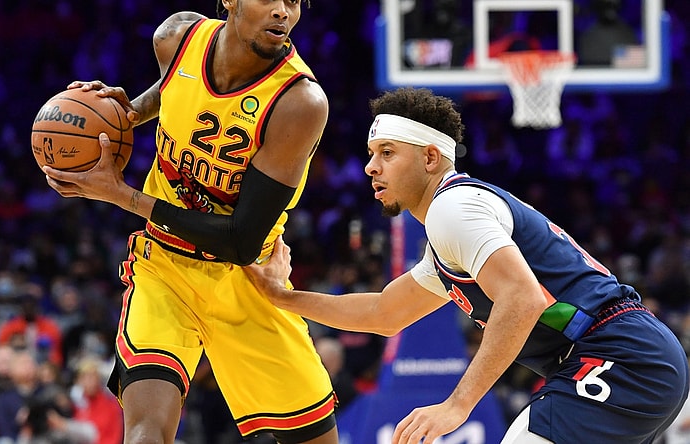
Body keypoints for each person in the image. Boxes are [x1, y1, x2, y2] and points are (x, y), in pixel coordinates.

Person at [243, 87, 690, 444]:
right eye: (371, 153)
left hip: (621, 357)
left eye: (387, 153)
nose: (369, 167)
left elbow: (523, 297)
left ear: (430, 158)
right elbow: (383, 314)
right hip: (626, 360)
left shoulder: (453, 209)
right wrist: (281, 295)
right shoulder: (451, 235)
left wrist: (457, 405)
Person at [41, 1, 339, 443]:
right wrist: (122, 115)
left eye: (293, 1)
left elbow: (239, 240)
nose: (281, 12)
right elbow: (173, 89)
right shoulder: (176, 38)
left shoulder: (299, 102)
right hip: (164, 267)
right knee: (146, 432)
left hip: (246, 278)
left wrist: (121, 195)